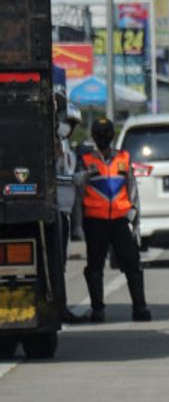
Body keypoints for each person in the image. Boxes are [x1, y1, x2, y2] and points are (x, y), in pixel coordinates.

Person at [80, 118, 151, 323]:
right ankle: (97, 310)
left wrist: (135, 218)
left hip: (120, 219)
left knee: (132, 263)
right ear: (93, 137)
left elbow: (132, 188)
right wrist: (77, 224)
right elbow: (77, 191)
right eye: (99, 134)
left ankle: (140, 308)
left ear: (112, 136)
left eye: (106, 134)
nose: (103, 138)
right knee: (94, 267)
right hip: (95, 220)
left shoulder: (124, 158)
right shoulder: (85, 160)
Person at [54, 102, 86, 323]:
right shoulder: (50, 146)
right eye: (66, 123)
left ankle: (61, 306)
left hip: (64, 213)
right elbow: (52, 178)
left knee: (61, 264)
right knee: (56, 263)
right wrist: (74, 179)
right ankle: (59, 308)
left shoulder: (65, 148)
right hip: (54, 213)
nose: (68, 127)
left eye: (71, 124)